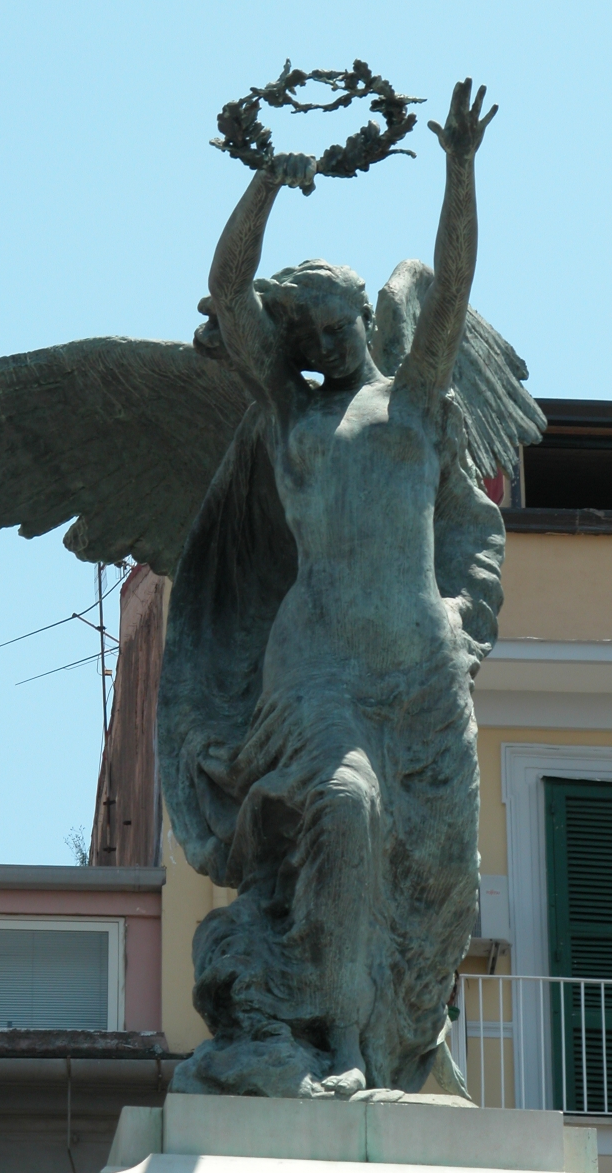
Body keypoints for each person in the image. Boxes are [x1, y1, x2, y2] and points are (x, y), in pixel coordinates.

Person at [159, 80, 504, 1099]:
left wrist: (458, 169)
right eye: (304, 328)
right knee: (345, 811)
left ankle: (407, 1038)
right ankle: (341, 1038)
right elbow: (226, 289)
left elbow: (449, 284)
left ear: (362, 312)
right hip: (317, 677)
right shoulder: (290, 418)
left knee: (438, 872)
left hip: (419, 673)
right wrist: (267, 181)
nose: (323, 338)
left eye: (333, 317)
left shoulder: (414, 395)